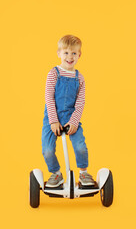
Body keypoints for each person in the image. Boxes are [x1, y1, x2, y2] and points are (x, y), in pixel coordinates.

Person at [41, 35, 95, 187]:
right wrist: (53, 121)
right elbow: (49, 98)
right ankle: (56, 174)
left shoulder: (80, 78)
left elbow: (80, 103)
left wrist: (73, 122)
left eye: (74, 53)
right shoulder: (53, 74)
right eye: (66, 53)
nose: (70, 57)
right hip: (52, 117)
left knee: (80, 146)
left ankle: (84, 173)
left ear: (79, 55)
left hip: (72, 117)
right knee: (48, 150)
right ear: (59, 53)